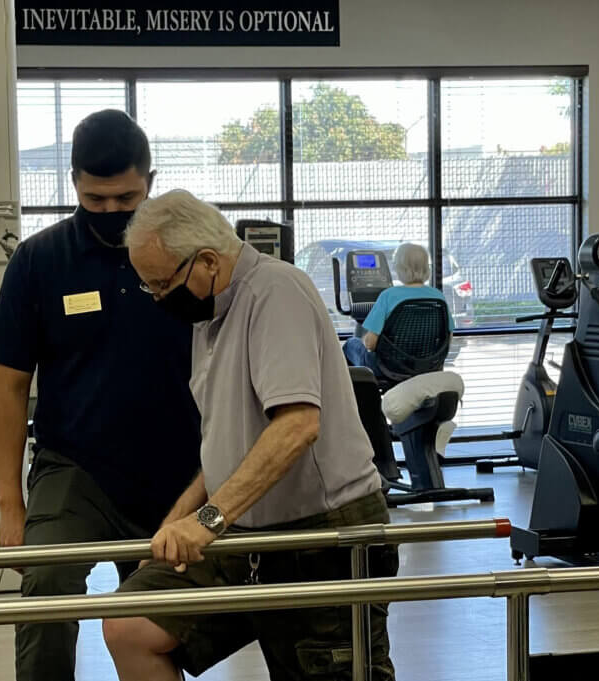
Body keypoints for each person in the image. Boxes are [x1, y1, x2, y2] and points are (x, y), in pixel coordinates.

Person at [103, 189, 398, 681]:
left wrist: (209, 521)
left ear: (208, 262)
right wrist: (178, 521)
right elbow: (231, 443)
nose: (157, 299)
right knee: (131, 623)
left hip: (320, 536)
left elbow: (297, 426)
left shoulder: (275, 291)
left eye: (160, 284)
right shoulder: (211, 313)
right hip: (245, 534)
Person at [0, 111, 201, 681]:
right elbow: (8, 385)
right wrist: (10, 503)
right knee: (47, 580)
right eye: (94, 199)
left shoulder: (189, 257)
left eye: (125, 197)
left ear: (151, 180)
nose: (110, 212)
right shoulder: (40, 260)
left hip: (175, 468)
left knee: (154, 615)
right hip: (73, 464)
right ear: (74, 181)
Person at [344, 242, 454, 377]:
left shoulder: (388, 296)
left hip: (388, 368)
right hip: (428, 366)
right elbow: (448, 339)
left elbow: (370, 344)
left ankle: (357, 395)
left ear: (399, 268)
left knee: (350, 344)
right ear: (426, 267)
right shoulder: (438, 297)